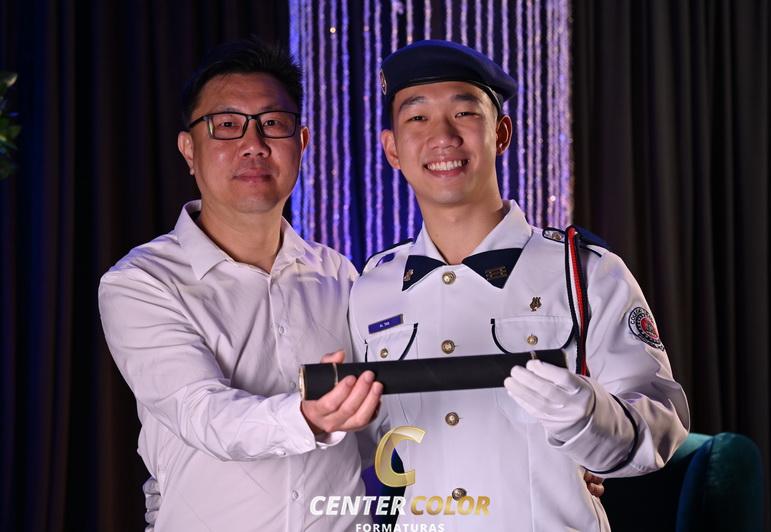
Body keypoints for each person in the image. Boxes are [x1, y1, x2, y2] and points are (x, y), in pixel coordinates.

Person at [349, 39, 690, 531]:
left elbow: (661, 425)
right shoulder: (371, 289)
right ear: (392, 149)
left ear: (501, 133)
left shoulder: (585, 272)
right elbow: (364, 442)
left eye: (464, 113)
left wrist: (589, 419)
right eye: (417, 118)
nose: (442, 136)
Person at [98, 39, 382, 532]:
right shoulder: (142, 282)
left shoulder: (340, 274)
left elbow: (373, 433)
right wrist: (308, 419)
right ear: (189, 150)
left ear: (302, 142)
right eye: (227, 125)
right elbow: (201, 413)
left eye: (273, 123)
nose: (254, 144)